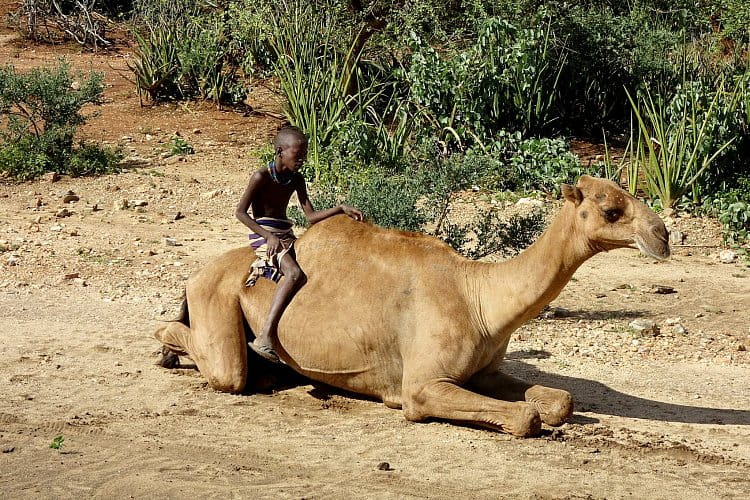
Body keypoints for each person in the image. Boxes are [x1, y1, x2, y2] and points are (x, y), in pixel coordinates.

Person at [236, 126, 363, 363]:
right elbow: (241, 213)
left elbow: (311, 216)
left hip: (285, 231)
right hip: (264, 233)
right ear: (280, 151)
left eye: (304, 154)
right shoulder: (260, 177)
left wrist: (340, 208)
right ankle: (265, 336)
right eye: (298, 154)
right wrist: (268, 236)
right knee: (293, 273)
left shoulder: (296, 179)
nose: (302, 159)